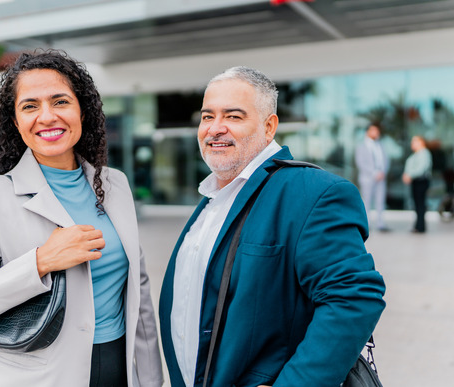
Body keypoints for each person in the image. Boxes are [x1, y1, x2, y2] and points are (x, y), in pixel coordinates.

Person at [0, 50, 163, 387]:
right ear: (15, 122)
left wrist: (151, 379)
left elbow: (138, 295)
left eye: (60, 102)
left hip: (118, 368)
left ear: (81, 110)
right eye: (30, 106)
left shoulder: (115, 185)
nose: (47, 116)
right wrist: (40, 262)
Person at [158, 66, 386, 387]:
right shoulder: (212, 199)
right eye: (208, 116)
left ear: (269, 127)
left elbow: (354, 297)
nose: (215, 128)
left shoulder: (313, 192)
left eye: (234, 117)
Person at [355, 123, 390, 231]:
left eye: (377, 131)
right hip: (367, 178)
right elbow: (361, 163)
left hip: (381, 178)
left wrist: (383, 172)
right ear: (368, 132)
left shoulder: (381, 145)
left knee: (380, 201)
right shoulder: (361, 146)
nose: (377, 133)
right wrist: (374, 172)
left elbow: (386, 161)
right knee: (367, 201)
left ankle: (380, 224)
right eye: (374, 130)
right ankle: (367, 224)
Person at [402, 135, 432, 233]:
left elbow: (421, 169)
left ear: (421, 142)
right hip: (416, 182)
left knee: (420, 204)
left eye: (414, 142)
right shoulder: (416, 154)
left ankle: (420, 226)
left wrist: (410, 175)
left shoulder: (424, 153)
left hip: (421, 181)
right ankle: (418, 225)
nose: (412, 144)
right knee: (417, 204)